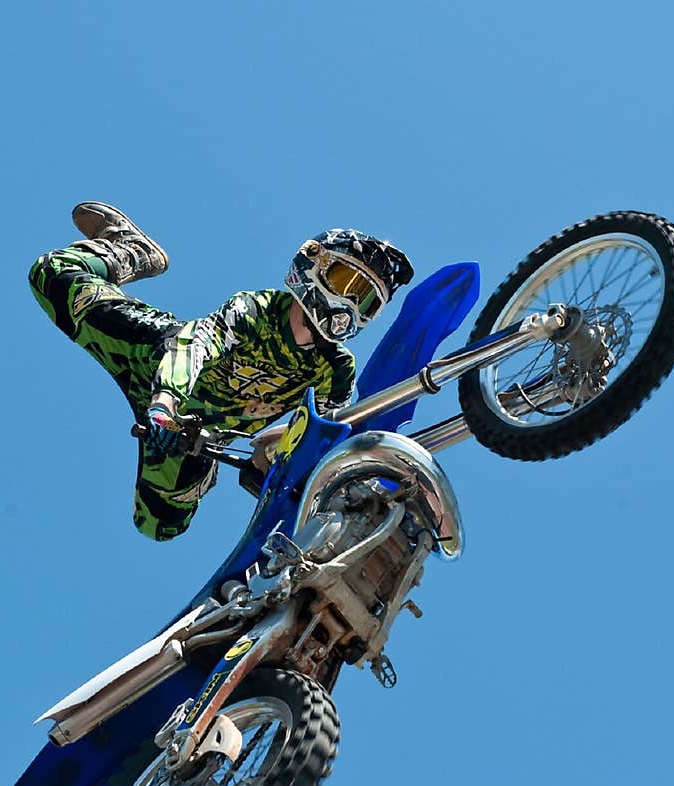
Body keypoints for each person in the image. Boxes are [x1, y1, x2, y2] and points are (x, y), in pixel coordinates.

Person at [29, 203, 414, 541]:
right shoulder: (260, 309)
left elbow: (326, 432)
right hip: (153, 355)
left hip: (193, 432)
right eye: (345, 282)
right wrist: (165, 402)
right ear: (312, 264)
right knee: (53, 274)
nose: (348, 303)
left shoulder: (335, 370)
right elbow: (199, 344)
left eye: (364, 299)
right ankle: (132, 249)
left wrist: (276, 457)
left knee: (160, 524)